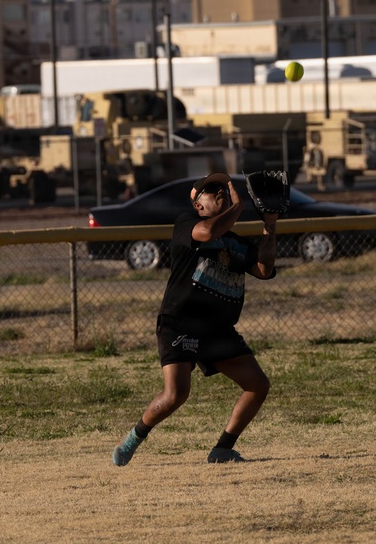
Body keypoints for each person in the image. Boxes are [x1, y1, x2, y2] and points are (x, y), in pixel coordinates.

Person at [112, 173, 278, 466]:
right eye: (211, 191)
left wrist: (270, 225)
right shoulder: (187, 223)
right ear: (198, 205)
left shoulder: (237, 243)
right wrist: (238, 207)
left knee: (257, 385)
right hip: (181, 321)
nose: (220, 193)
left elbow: (263, 269)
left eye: (223, 190)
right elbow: (206, 234)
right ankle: (134, 437)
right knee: (176, 394)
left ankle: (223, 448)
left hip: (217, 329)